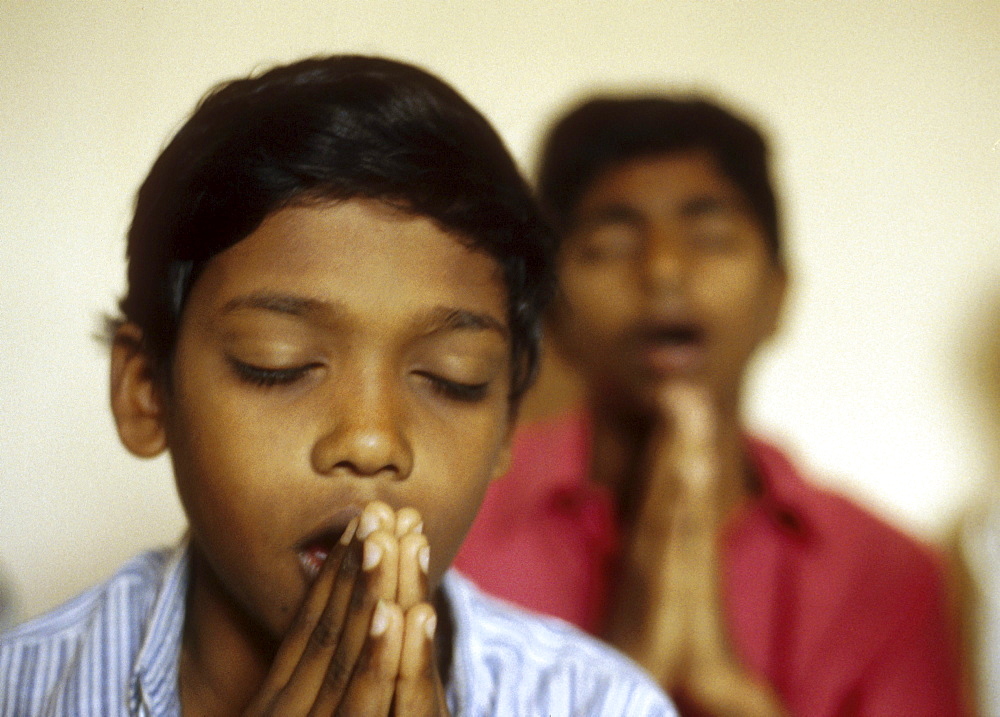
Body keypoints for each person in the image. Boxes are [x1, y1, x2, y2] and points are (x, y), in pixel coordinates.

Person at [0, 57, 676, 716]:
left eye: (451, 377)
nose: (372, 439)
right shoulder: (21, 689)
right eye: (279, 363)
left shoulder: (602, 702)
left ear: (506, 420)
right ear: (146, 391)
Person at [455, 96, 969, 716]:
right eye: (611, 243)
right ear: (551, 308)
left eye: (711, 237)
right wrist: (625, 671)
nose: (664, 269)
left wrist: (724, 686)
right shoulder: (459, 525)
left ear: (777, 295)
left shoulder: (886, 572)